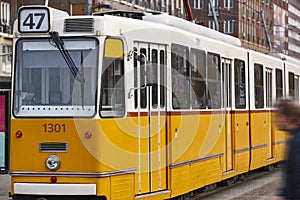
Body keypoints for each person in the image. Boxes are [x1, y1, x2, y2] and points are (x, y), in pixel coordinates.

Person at [274, 99, 300, 200]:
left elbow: (297, 176)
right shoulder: (294, 138)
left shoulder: (297, 141)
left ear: (288, 118)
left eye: (279, 116)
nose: (276, 120)